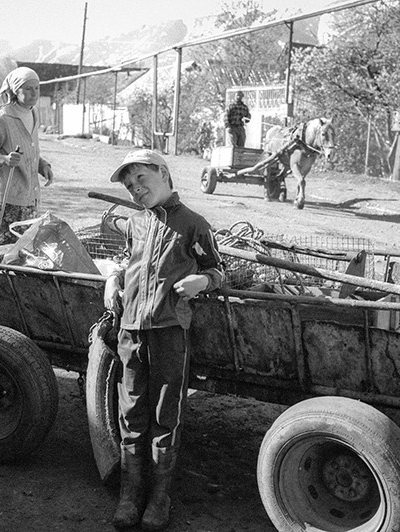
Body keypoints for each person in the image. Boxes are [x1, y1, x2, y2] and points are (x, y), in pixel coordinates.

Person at [104, 149, 224, 531]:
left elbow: (217, 269)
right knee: (131, 412)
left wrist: (203, 280)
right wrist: (112, 279)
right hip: (130, 332)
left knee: (164, 414)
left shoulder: (193, 225)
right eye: (129, 185)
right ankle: (130, 494)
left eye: (141, 179)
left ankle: (159, 496)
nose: (136, 189)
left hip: (170, 332)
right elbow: (125, 260)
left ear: (163, 173)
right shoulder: (135, 223)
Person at [0, 66, 54, 247]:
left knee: (23, 253)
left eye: (37, 88)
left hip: (30, 200)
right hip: (8, 202)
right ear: (16, 91)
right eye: (28, 88)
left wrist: (43, 166)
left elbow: (30, 151)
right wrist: (3, 159)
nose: (34, 93)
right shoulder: (2, 118)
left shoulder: (33, 113)